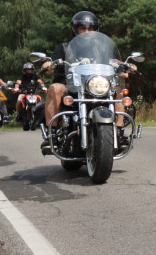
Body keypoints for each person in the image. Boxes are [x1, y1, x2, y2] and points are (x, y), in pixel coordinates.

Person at [40, 11, 133, 153]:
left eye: (90, 28)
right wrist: (48, 65)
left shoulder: (101, 48)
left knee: (118, 90)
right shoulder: (65, 48)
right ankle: (51, 135)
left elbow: (113, 61)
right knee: (54, 88)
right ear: (75, 29)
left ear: (96, 30)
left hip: (95, 85)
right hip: (70, 85)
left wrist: (126, 65)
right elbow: (52, 63)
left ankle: (119, 133)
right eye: (83, 28)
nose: (87, 31)